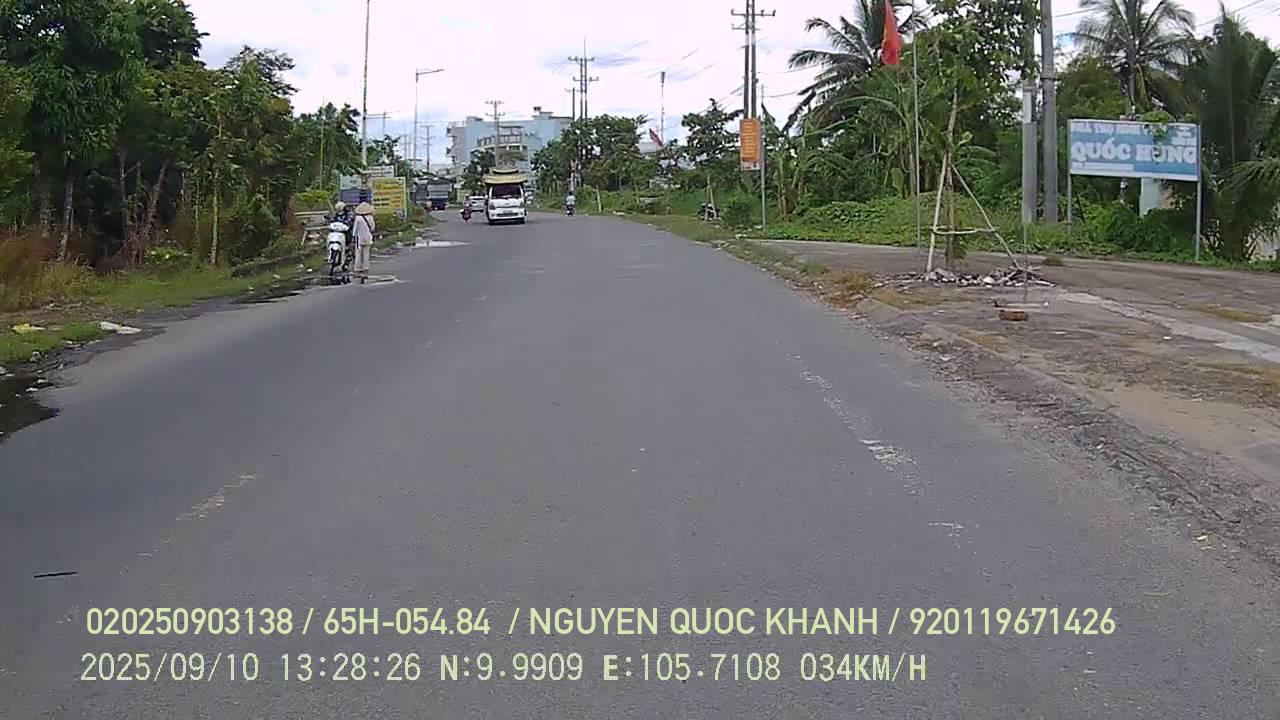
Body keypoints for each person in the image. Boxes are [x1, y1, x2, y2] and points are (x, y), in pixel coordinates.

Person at [351, 202, 376, 283]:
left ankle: (357, 269)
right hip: (368, 238)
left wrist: (353, 237)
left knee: (358, 254)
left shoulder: (358, 218)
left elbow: (355, 230)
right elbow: (373, 228)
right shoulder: (370, 218)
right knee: (366, 254)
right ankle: (365, 269)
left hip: (359, 238)